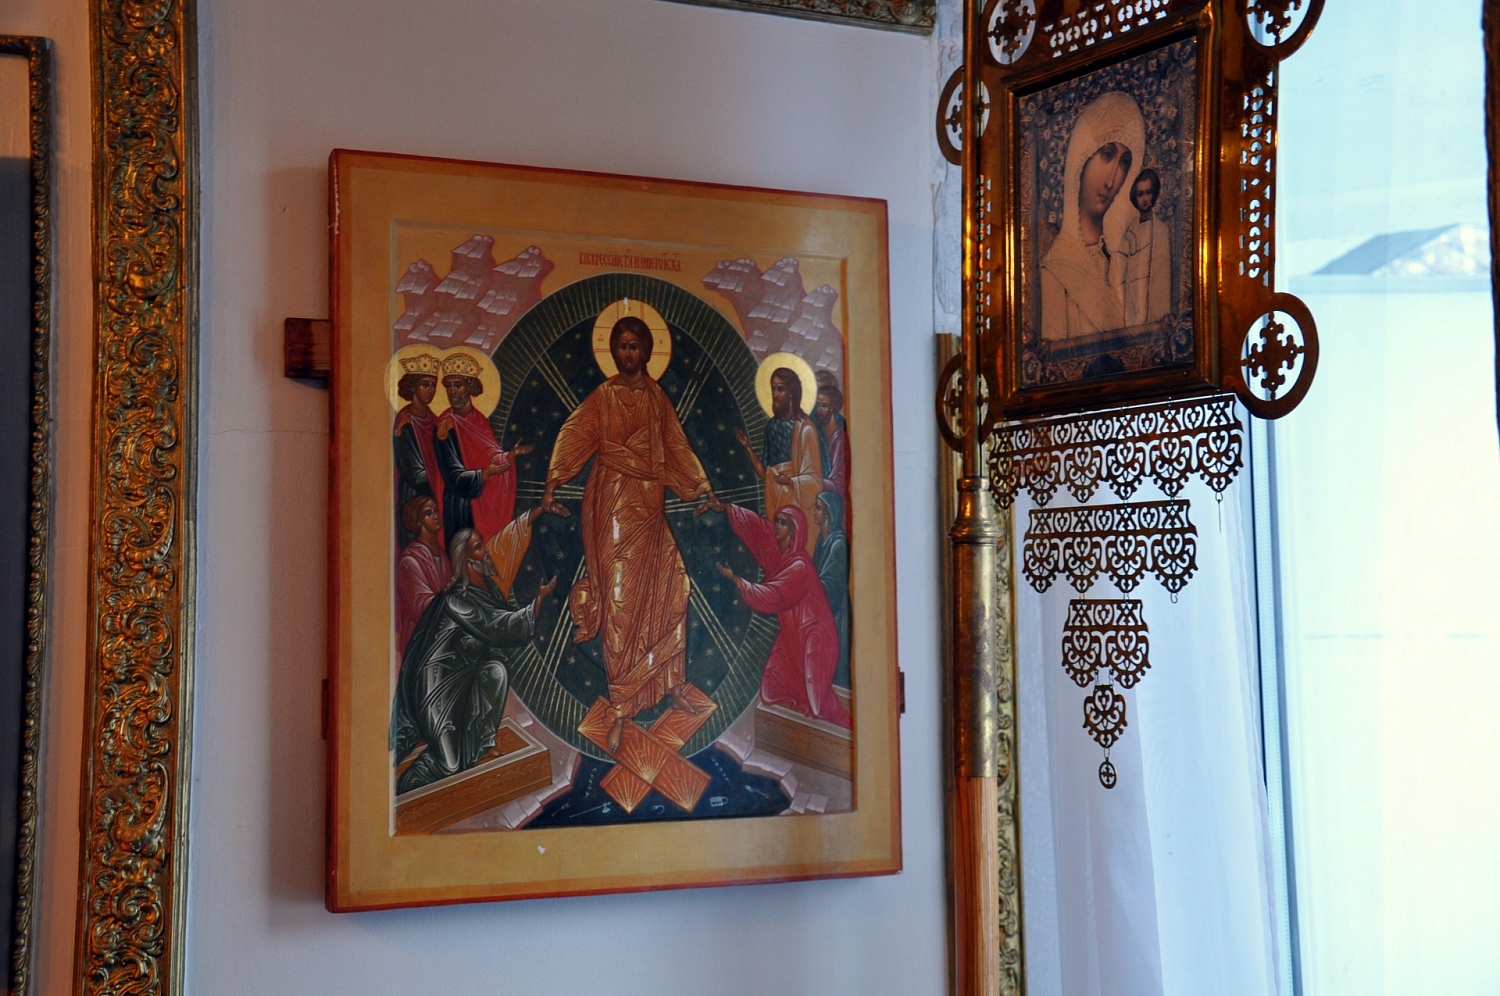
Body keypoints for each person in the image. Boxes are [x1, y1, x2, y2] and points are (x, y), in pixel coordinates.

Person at [540, 316, 720, 754]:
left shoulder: (657, 398)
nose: (627, 353)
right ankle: (622, 707)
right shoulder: (604, 396)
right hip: (614, 507)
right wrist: (553, 482)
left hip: (650, 508)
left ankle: (672, 683)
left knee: (671, 587)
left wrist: (702, 486)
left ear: (647, 351)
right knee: (621, 605)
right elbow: (575, 433)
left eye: (634, 346)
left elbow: (676, 445)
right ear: (614, 351)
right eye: (620, 346)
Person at [392, 528, 556, 793]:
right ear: (466, 559)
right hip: (437, 687)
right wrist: (537, 602)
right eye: (479, 548)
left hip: (466, 681)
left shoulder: (488, 591)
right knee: (449, 765)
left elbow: (498, 637)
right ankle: (401, 791)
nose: (486, 553)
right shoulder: (457, 600)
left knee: (496, 671)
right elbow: (497, 625)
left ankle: (483, 746)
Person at [710, 500, 851, 729]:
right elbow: (759, 530)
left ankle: (846, 728)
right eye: (777, 521)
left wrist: (736, 580)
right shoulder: (780, 553)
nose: (777, 526)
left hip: (814, 638)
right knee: (773, 686)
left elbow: (773, 595)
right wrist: (727, 508)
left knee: (819, 704)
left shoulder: (799, 566)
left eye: (783, 523)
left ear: (794, 530)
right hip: (793, 634)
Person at [1039, 91, 1145, 343]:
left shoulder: (1123, 258)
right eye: (1107, 155)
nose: (1111, 180)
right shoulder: (1056, 268)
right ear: (1081, 159)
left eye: (1124, 163)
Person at [434, 352, 532, 544]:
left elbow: (490, 454)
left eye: (458, 385)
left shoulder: (478, 419)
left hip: (478, 498)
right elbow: (452, 475)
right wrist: (485, 473)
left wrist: (510, 455)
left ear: (469, 387)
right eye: (449, 386)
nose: (452, 391)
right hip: (460, 506)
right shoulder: (445, 426)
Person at [734, 367, 821, 553]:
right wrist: (747, 447)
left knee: (797, 550)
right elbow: (766, 475)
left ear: (792, 393)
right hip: (774, 501)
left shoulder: (805, 428)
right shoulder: (771, 428)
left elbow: (814, 479)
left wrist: (790, 481)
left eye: (780, 389)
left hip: (796, 502)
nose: (775, 395)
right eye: (773, 389)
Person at [392, 353, 443, 546]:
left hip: (436, 494)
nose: (430, 390)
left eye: (433, 385)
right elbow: (414, 472)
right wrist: (444, 480)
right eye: (424, 385)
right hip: (415, 498)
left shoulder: (435, 421)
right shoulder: (404, 424)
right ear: (412, 386)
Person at [394, 496, 449, 656]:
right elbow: (420, 605)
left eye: (436, 510)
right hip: (420, 640)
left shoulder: (442, 555)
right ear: (417, 521)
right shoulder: (410, 560)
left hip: (441, 633)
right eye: (428, 513)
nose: (436, 516)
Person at [1119, 167, 1173, 327]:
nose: (1144, 199)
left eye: (1148, 193)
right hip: (1131, 291)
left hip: (1149, 290)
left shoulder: (1160, 230)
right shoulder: (1130, 229)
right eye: (1140, 194)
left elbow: (1161, 271)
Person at [812, 492, 850, 690]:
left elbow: (831, 585)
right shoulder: (821, 541)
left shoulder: (838, 543)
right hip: (822, 611)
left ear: (829, 513)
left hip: (835, 613)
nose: (814, 512)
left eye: (818, 508)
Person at [812, 379, 849, 500]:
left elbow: (838, 483)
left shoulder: (839, 439)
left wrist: (811, 481)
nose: (819, 410)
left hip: (831, 501)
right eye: (817, 405)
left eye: (824, 406)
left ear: (833, 408)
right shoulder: (817, 433)